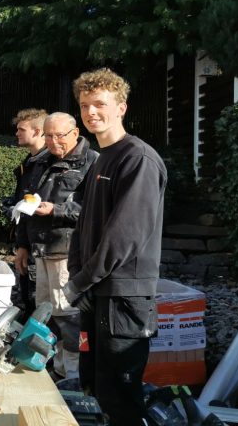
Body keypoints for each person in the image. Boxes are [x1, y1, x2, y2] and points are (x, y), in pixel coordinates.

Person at [64, 68, 167, 425]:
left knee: (121, 396)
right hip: (96, 293)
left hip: (123, 298)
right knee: (94, 384)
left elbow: (124, 235)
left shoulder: (137, 159)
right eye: (85, 105)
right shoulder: (100, 160)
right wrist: (76, 274)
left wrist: (81, 281)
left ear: (121, 107)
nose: (91, 112)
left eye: (100, 104)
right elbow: (83, 225)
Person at [15, 112, 98, 379]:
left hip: (68, 252)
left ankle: (73, 375)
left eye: (58, 136)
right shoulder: (42, 162)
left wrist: (57, 210)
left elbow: (96, 211)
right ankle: (55, 367)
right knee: (46, 311)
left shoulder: (92, 163)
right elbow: (27, 203)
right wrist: (23, 245)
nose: (52, 141)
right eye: (48, 136)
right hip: (41, 248)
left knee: (68, 314)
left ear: (75, 133)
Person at [1, 108, 49, 318]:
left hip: (41, 247)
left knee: (39, 302)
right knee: (28, 295)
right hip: (27, 242)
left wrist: (26, 246)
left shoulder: (49, 165)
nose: (17, 133)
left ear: (37, 131)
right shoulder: (29, 164)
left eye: (21, 129)